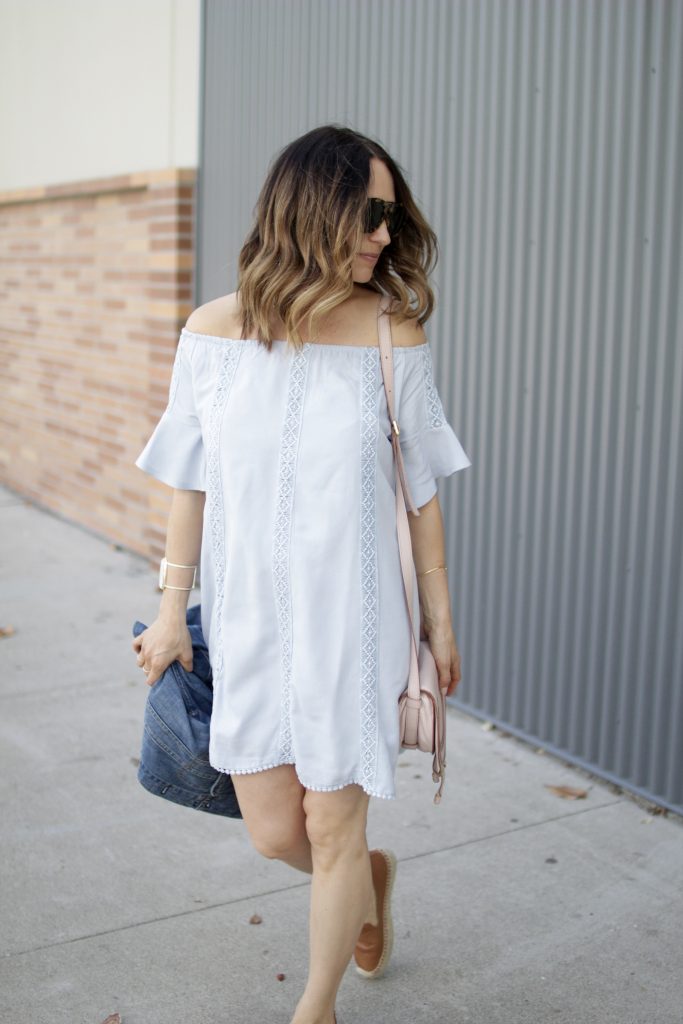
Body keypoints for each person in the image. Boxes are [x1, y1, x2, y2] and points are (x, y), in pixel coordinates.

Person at [132, 124, 471, 1024]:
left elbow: (422, 493)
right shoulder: (211, 333)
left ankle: (314, 1006)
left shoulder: (393, 336)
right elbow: (189, 487)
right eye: (370, 214)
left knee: (331, 823)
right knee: (276, 831)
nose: (385, 236)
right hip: (251, 622)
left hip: (356, 623)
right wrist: (172, 611)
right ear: (310, 206)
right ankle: (368, 880)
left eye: (393, 218)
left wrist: (440, 622)